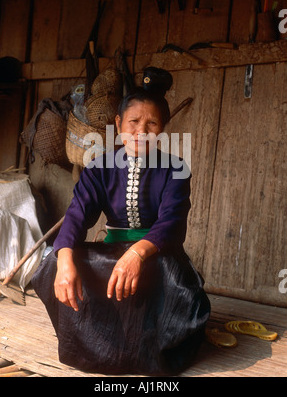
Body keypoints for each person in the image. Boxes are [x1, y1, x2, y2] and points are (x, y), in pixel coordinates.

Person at [32, 67, 211, 376]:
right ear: (118, 124)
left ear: (163, 129)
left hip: (157, 254)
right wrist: (64, 259)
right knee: (53, 262)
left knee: (178, 280)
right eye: (133, 122)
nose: (142, 130)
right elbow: (77, 215)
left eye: (152, 122)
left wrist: (137, 253)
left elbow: (171, 222)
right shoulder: (100, 167)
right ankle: (90, 344)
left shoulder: (175, 168)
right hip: (112, 250)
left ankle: (155, 349)